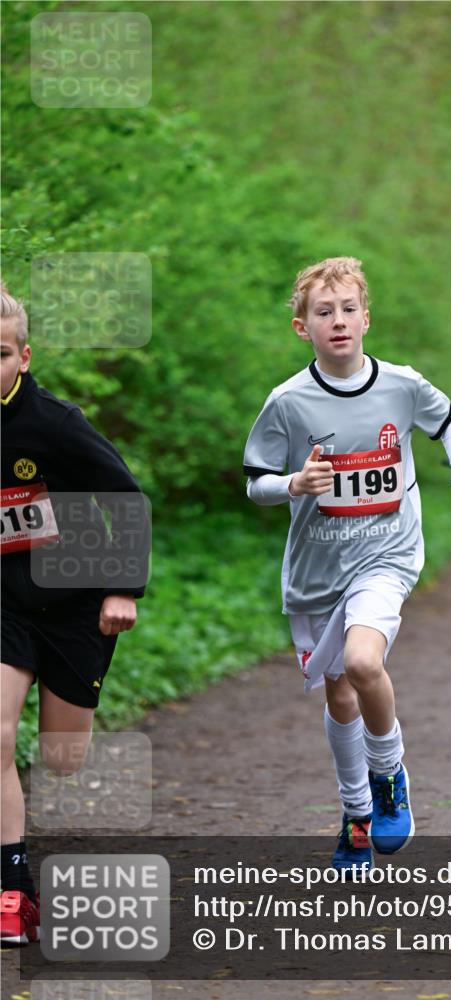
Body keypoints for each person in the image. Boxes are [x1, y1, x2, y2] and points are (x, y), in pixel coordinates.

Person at [244, 257, 451, 874]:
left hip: (387, 554)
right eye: (323, 312)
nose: (338, 321)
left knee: (364, 663)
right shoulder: (287, 402)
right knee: (338, 694)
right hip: (317, 571)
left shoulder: (401, 384)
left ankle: (389, 779)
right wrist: (294, 484)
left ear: (366, 318)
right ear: (302, 327)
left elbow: (449, 421)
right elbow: (255, 482)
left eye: (348, 309)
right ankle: (356, 815)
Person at [0, 283, 149, 945]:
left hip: (72, 603)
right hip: (3, 602)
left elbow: (126, 498)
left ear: (23, 357)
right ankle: (12, 888)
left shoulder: (55, 423)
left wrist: (121, 589)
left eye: (0, 353)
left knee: (61, 756)